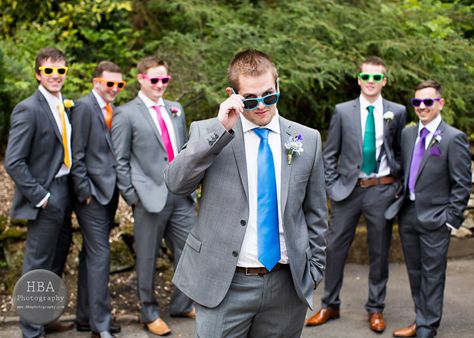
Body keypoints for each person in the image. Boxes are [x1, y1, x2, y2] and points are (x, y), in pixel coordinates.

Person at [164, 49, 328, 337]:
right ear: (233, 94)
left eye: (270, 95)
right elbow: (176, 183)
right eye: (251, 99)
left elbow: (316, 212)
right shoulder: (209, 132)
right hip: (225, 285)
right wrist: (219, 129)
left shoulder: (307, 139)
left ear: (279, 87)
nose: (262, 106)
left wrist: (313, 270)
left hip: (286, 285)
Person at [306, 56, 406, 333]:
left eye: (377, 78)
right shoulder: (342, 111)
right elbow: (330, 154)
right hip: (347, 191)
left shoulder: (396, 112)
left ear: (384, 81)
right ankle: (329, 304)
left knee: (379, 252)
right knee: (335, 249)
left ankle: (376, 308)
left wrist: (396, 185)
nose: (371, 82)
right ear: (359, 79)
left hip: (381, 190)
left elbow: (400, 152)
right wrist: (332, 185)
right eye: (366, 77)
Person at [111, 56, 195, 336]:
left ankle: (182, 304)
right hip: (148, 198)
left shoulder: (176, 108)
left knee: (189, 250)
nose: (160, 85)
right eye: (154, 79)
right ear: (141, 79)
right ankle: (148, 312)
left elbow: (183, 150)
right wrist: (132, 196)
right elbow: (119, 159)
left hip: (180, 195)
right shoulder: (126, 113)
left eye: (164, 80)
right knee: (146, 257)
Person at [385, 80, 471, 338]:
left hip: (437, 219)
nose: (421, 107)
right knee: (414, 271)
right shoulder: (408, 134)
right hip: (409, 213)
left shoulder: (454, 138)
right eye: (417, 102)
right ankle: (421, 318)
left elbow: (462, 183)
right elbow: (405, 169)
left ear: (440, 103)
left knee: (433, 275)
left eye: (427, 102)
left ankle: (427, 326)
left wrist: (450, 219)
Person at [4, 47, 74, 338]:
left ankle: (45, 318)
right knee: (37, 266)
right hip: (45, 194)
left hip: (65, 189)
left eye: (61, 70)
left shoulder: (63, 105)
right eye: (49, 70)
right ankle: (32, 331)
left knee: (57, 258)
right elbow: (14, 161)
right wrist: (42, 196)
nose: (55, 76)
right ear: (38, 74)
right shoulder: (28, 108)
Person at [71, 61, 125, 338]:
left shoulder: (112, 110)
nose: (114, 89)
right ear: (96, 82)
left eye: (119, 84)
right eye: (109, 84)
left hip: (109, 194)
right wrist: (85, 192)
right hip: (91, 196)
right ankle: (100, 325)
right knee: (101, 255)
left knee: (90, 256)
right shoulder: (83, 107)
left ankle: (84, 317)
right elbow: (76, 152)